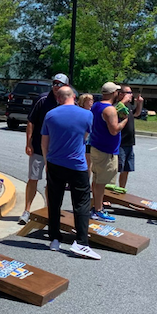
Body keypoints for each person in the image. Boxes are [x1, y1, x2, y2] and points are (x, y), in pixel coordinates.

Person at [41, 86, 100, 259]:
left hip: (54, 163)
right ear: (74, 97)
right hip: (77, 165)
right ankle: (81, 242)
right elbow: (87, 136)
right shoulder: (87, 114)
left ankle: (54, 238)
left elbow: (44, 141)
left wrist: (46, 161)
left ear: (58, 98)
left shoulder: (50, 115)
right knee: (81, 204)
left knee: (54, 201)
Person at [19, 73, 68, 225]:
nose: (56, 86)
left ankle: (49, 211)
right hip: (39, 148)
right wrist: (28, 143)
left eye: (59, 84)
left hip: (57, 151)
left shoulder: (67, 102)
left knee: (52, 182)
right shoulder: (42, 99)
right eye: (54, 83)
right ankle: (27, 210)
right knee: (33, 178)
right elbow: (31, 122)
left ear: (66, 86)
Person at [89, 82, 128, 222]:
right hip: (106, 150)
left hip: (96, 146)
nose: (119, 94)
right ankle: (98, 210)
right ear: (113, 93)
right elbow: (114, 130)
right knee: (101, 182)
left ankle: (95, 207)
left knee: (97, 179)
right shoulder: (109, 110)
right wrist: (124, 121)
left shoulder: (96, 105)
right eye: (118, 92)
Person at [115, 85, 144, 190]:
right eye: (129, 93)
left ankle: (121, 189)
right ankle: (109, 194)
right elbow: (115, 112)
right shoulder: (117, 106)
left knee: (126, 168)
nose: (131, 95)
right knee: (116, 168)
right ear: (121, 94)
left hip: (129, 143)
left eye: (131, 93)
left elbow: (137, 113)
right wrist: (122, 102)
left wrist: (139, 103)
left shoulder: (129, 106)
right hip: (120, 142)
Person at [77, 93, 94, 176]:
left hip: (89, 141)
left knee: (88, 162)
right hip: (79, 140)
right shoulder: (79, 112)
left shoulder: (93, 113)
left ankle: (86, 182)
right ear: (83, 102)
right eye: (88, 101)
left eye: (92, 100)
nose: (91, 103)